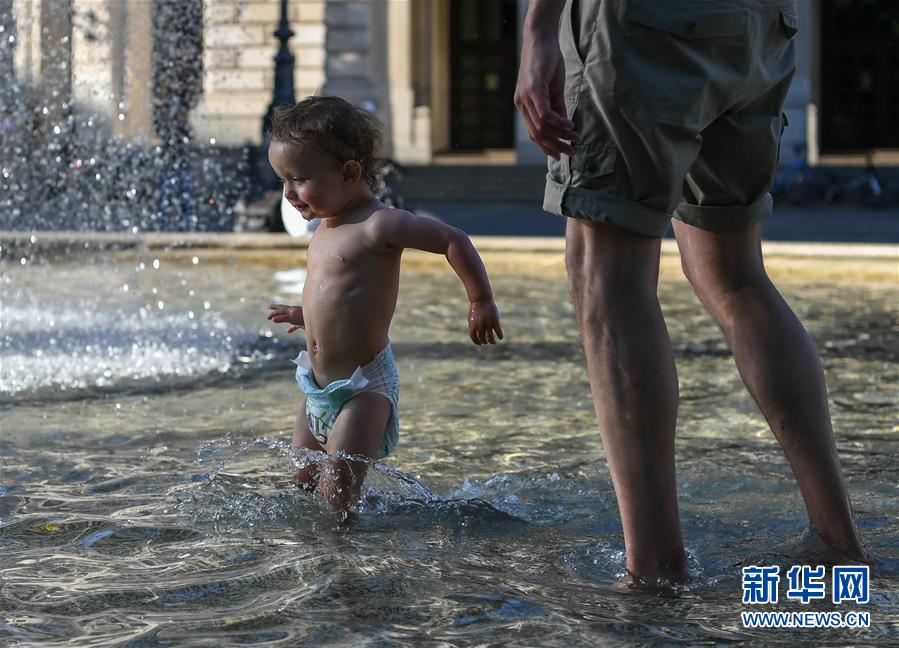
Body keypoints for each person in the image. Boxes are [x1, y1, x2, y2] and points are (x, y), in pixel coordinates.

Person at [515, 0, 867, 586]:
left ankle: (655, 572)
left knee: (608, 273)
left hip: (644, 22)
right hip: (761, 25)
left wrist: (538, 28)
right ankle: (839, 543)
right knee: (735, 274)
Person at [266, 95, 504, 516]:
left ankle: (344, 561)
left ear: (350, 172)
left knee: (337, 488)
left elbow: (452, 239)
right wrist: (307, 317)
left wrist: (480, 299)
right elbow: (341, 295)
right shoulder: (325, 225)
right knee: (301, 480)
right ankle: (313, 555)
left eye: (298, 180)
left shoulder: (379, 224)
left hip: (363, 388)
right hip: (317, 387)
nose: (288, 193)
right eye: (283, 180)